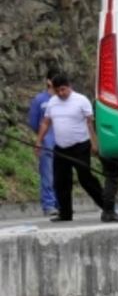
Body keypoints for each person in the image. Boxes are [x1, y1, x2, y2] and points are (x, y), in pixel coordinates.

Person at [35, 74, 118, 222]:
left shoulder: (81, 100)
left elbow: (90, 123)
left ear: (69, 86)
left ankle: (108, 209)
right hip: (60, 147)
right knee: (61, 181)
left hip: (80, 146)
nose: (61, 93)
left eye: (63, 89)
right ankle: (65, 213)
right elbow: (45, 123)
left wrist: (95, 144)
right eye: (58, 91)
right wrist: (39, 141)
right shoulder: (52, 102)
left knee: (86, 179)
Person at [27, 69, 59, 216]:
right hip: (46, 145)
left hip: (63, 145)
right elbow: (33, 122)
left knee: (61, 175)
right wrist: (42, 138)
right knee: (47, 176)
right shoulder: (40, 100)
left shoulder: (63, 98)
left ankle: (61, 203)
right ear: (49, 81)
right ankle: (49, 205)